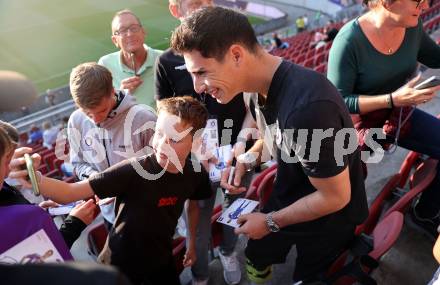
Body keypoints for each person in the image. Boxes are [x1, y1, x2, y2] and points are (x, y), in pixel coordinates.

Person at [171, 6, 368, 284]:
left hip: (328, 218)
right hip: (293, 194)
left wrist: (270, 222)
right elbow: (277, 136)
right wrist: (247, 159)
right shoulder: (253, 86)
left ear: (236, 55)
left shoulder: (308, 109)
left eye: (201, 72)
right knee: (257, 252)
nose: (198, 86)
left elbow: (335, 197)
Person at [15, 96, 212, 285]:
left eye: (174, 139)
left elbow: (193, 204)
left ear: (195, 142)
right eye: (159, 134)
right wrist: (33, 177)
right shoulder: (133, 169)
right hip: (120, 262)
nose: (162, 145)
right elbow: (70, 191)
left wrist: (191, 242)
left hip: (161, 258)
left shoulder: (196, 174)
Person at [156, 1, 257, 284]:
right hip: (194, 160)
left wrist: (240, 143)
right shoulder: (166, 61)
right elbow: (164, 113)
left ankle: (227, 251)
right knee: (196, 225)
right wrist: (196, 146)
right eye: (196, 2)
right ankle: (200, 274)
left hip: (239, 151)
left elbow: (255, 102)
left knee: (236, 207)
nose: (205, 5)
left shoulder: (234, 49)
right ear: (176, 10)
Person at [327, 0, 440, 236]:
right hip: (356, 126)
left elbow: (436, 57)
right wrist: (392, 99)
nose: (426, 5)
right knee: (345, 199)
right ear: (387, 2)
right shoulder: (349, 41)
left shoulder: (413, 26)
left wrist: (395, 102)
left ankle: (425, 213)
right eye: (418, 0)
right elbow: (339, 101)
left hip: (397, 114)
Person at [67, 62, 156, 229]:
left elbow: (162, 171)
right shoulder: (75, 120)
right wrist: (95, 178)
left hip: (147, 214)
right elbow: (77, 163)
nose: (96, 120)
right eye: (88, 114)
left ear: (112, 92)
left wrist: (127, 187)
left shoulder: (144, 119)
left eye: (101, 110)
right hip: (110, 216)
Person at [0, 121, 96, 248]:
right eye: (6, 161)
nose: (8, 173)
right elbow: (45, 257)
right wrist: (74, 224)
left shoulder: (6, 189)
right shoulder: (21, 216)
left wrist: (37, 210)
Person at [98, 9, 162, 110]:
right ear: (115, 40)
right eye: (122, 30)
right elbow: (101, 110)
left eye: (134, 28)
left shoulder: (163, 60)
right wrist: (120, 96)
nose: (129, 34)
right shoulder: (105, 65)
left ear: (143, 32)